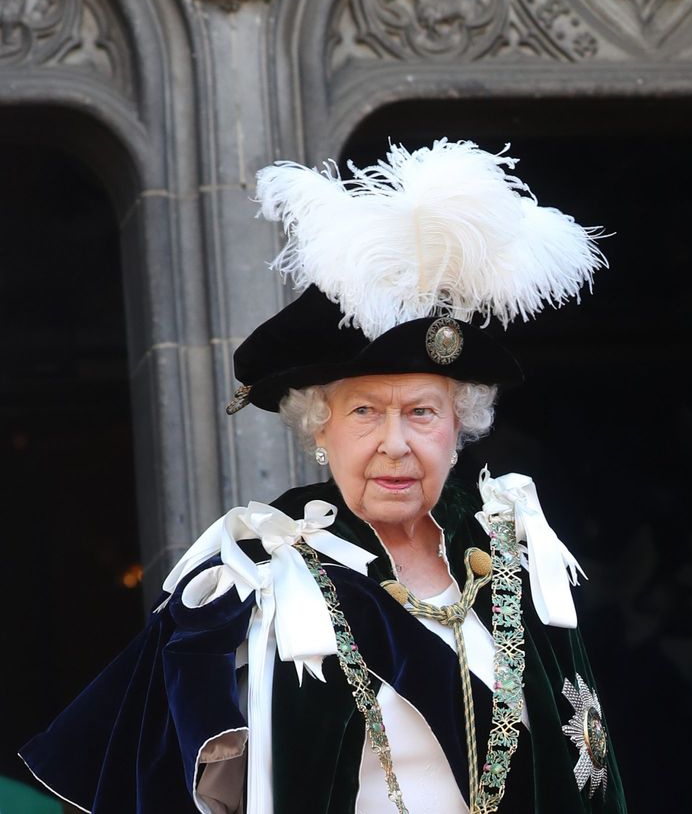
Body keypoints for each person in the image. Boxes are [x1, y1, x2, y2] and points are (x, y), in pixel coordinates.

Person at [23, 140, 625, 813]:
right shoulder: (251, 578)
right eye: (365, 412)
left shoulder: (516, 560)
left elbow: (590, 774)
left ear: (460, 427)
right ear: (320, 425)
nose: (394, 444)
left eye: (422, 413)